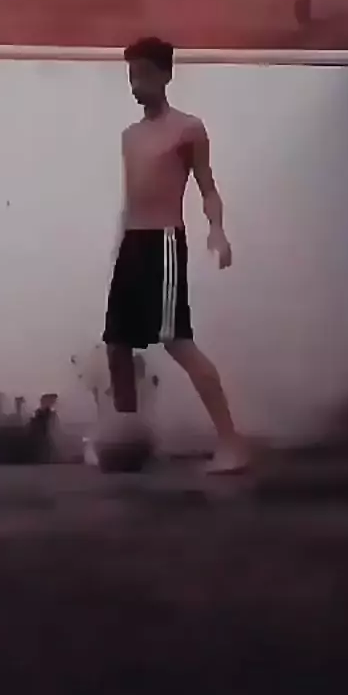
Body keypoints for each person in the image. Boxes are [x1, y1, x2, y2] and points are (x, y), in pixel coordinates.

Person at [102, 36, 248, 473]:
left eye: (145, 74)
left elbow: (208, 188)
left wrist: (217, 230)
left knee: (176, 342)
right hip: (132, 245)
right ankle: (129, 442)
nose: (137, 84)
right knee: (116, 345)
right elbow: (130, 198)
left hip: (164, 243)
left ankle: (232, 443)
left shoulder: (188, 129)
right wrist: (118, 247)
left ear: (166, 75)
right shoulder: (130, 136)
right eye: (132, 75)